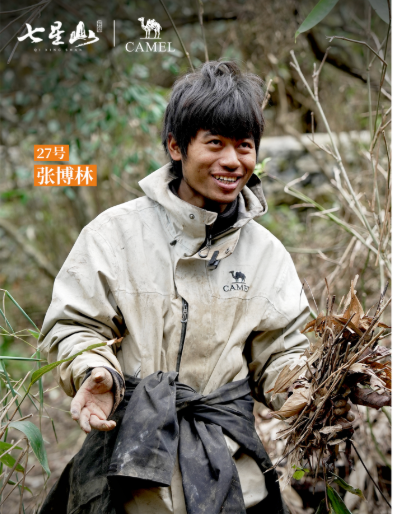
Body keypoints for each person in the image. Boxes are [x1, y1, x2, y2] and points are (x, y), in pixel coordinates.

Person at [38, 60, 309, 514]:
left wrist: (306, 388)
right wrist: (95, 372)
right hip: (129, 474)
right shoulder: (114, 234)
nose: (231, 160)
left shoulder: (267, 255)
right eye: (215, 143)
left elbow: (282, 349)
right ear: (176, 147)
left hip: (232, 474)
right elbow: (73, 324)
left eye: (244, 146)